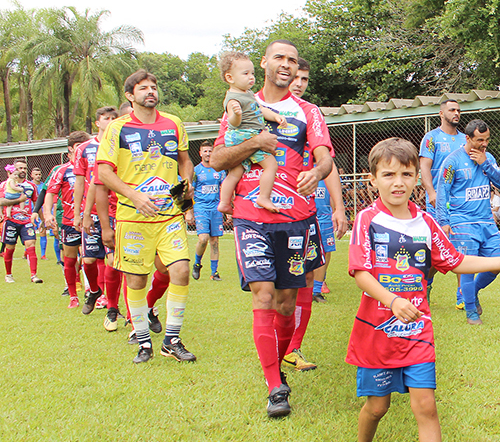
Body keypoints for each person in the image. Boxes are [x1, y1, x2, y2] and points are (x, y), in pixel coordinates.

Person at [347, 137, 500, 442]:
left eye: (405, 174)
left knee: (426, 405)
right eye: (388, 174)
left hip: (418, 332)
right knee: (377, 407)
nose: (397, 182)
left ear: (417, 177)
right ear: (373, 180)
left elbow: (456, 260)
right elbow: (360, 271)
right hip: (377, 331)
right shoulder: (367, 220)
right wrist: (393, 300)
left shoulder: (425, 222)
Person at [209, 40, 333, 417]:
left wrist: (317, 171)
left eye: (292, 60)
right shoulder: (239, 104)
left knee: (286, 303)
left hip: (297, 219)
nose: (286, 64)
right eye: (279, 57)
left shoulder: (308, 112)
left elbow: (325, 155)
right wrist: (255, 142)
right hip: (251, 217)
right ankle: (275, 386)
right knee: (263, 295)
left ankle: (277, 365)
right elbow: (217, 158)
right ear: (263, 63)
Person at [96, 69, 196, 364]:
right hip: (133, 218)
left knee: (179, 270)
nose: (150, 91)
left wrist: (186, 181)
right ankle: (143, 341)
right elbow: (103, 172)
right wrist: (135, 196)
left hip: (168, 217)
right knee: (137, 281)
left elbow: (185, 161)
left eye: (153, 87)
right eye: (143, 88)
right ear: (130, 95)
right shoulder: (117, 128)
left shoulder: (174, 123)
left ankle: (172, 339)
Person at [286, 58, 348, 307]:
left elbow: (328, 162)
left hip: (315, 198)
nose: (299, 83)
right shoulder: (260, 109)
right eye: (295, 77)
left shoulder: (312, 114)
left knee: (325, 244)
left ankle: (316, 288)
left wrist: (339, 207)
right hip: (281, 202)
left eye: (304, 79)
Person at [435, 119, 500, 325]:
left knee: (498, 262)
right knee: (467, 267)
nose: (484, 144)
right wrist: (443, 221)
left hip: (486, 222)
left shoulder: (488, 158)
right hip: (462, 222)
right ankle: (471, 312)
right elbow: (442, 192)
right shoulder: (452, 161)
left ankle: (471, 292)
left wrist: (485, 164)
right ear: (468, 138)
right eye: (479, 140)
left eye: (487, 140)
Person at [216, 51, 285, 215]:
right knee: (271, 165)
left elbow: (260, 110)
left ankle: (224, 202)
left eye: (252, 73)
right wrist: (236, 115)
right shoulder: (233, 98)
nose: (251, 77)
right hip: (245, 134)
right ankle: (264, 196)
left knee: (235, 172)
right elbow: (232, 122)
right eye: (245, 73)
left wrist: (275, 116)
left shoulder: (247, 94)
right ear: (230, 78)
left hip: (239, 137)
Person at [73, 106, 119, 315]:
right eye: (105, 118)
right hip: (91, 210)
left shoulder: (120, 145)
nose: (109, 121)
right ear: (98, 123)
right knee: (89, 260)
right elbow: (82, 183)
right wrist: (79, 214)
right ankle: (93, 290)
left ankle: (112, 305)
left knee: (112, 260)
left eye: (113, 118)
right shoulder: (84, 149)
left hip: (116, 211)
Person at [419, 99, 466, 302]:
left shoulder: (466, 139)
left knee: (464, 249)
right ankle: (426, 288)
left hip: (461, 204)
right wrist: (431, 192)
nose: (456, 113)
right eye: (452, 110)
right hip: (439, 205)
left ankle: (463, 296)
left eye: (458, 110)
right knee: (434, 252)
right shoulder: (432, 138)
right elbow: (425, 168)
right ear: (441, 113)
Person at [45, 133, 93, 305]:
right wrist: (48, 214)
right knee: (70, 259)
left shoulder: (94, 166)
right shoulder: (61, 170)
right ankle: (73, 295)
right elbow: (49, 193)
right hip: (69, 221)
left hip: (91, 219)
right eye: (79, 145)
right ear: (71, 149)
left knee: (91, 258)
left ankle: (93, 290)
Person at [1, 159, 42, 284]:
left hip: (27, 221)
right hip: (11, 220)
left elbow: (37, 203)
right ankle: (8, 274)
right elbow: (1, 201)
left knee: (31, 245)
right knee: (10, 248)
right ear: (14, 170)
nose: (22, 171)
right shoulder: (5, 185)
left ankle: (33, 275)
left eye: (24, 168)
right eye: (20, 168)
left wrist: (43, 220)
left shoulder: (31, 186)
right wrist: (19, 200)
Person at [191, 141, 226, 281]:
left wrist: (226, 209)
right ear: (200, 153)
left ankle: (214, 273)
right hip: (201, 207)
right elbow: (190, 191)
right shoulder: (195, 171)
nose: (207, 153)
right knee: (203, 238)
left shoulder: (220, 170)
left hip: (216, 208)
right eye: (205, 151)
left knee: (214, 241)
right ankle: (197, 263)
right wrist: (190, 210)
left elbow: (224, 189)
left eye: (210, 151)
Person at [30, 167, 48, 260]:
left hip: (41, 212)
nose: (38, 176)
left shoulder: (44, 186)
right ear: (31, 175)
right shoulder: (29, 185)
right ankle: (26, 252)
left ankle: (42, 254)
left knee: (42, 231)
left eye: (39, 174)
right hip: (30, 213)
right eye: (36, 174)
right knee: (29, 235)